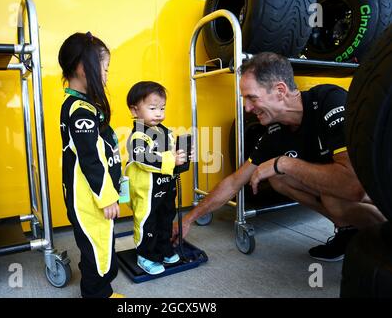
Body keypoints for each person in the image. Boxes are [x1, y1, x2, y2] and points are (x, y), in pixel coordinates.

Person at [172, 52, 386, 262]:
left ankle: (384, 239)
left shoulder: (329, 101)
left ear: (280, 90)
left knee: (330, 195)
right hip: (347, 193)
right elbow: (234, 182)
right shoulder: (275, 131)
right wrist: (189, 218)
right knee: (278, 179)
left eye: (252, 98)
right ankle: (347, 230)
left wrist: (284, 163)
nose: (246, 107)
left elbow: (354, 185)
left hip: (380, 188)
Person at [58, 32, 123, 298]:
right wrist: (107, 196)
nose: (106, 75)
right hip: (89, 199)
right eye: (104, 68)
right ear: (83, 68)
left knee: (95, 244)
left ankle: (97, 285)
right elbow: (90, 158)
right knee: (98, 249)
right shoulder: (80, 111)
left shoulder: (84, 106)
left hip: (92, 196)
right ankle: (98, 295)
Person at [125, 81, 188, 274]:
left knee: (166, 219)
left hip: (165, 187)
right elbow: (143, 158)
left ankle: (164, 249)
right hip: (145, 191)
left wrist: (183, 155)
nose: (159, 113)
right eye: (152, 108)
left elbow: (170, 157)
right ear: (135, 111)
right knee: (148, 222)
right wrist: (171, 159)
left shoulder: (165, 132)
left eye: (162, 108)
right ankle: (146, 255)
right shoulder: (138, 135)